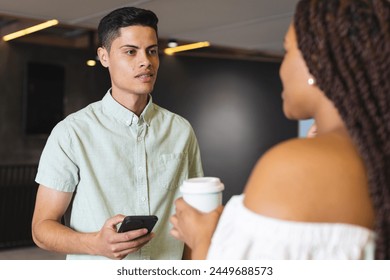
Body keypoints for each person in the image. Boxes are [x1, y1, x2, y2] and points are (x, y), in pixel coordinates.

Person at [170, 0, 390, 259]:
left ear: (316, 62)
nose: (282, 68)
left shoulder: (295, 168)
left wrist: (201, 240)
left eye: (287, 51)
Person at [32, 7, 203, 260]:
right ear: (104, 56)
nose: (146, 61)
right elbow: (42, 229)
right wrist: (95, 243)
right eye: (131, 51)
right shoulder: (72, 132)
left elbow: (195, 216)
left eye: (152, 51)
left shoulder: (181, 130)